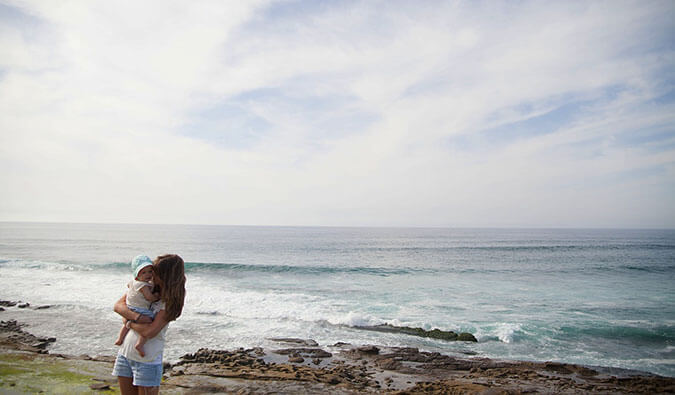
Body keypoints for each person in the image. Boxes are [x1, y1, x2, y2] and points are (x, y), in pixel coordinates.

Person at [112, 254, 186, 394]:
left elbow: (149, 332)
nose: (151, 274)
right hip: (125, 354)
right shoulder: (144, 288)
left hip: (147, 361)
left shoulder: (169, 302)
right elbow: (118, 306)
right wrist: (135, 317)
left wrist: (128, 322)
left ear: (166, 276)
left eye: (155, 271)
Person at [114, 255, 160, 357]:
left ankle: (120, 338)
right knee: (150, 321)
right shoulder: (143, 286)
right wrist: (156, 297)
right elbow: (149, 298)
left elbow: (129, 286)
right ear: (137, 274)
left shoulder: (134, 282)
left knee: (125, 324)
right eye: (143, 272)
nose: (148, 274)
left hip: (130, 306)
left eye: (150, 271)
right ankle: (140, 344)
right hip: (140, 309)